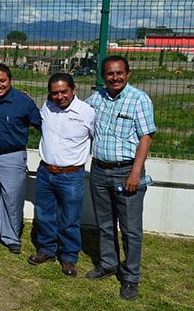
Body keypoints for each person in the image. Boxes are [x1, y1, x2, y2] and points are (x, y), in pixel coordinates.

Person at [85, 55, 155, 300]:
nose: (114, 77)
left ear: (128, 74)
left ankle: (130, 277)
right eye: (109, 74)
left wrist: (135, 173)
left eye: (119, 73)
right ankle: (108, 264)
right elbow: (74, 111)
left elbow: (146, 137)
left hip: (127, 171)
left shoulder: (139, 100)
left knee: (130, 229)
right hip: (99, 170)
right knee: (104, 224)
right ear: (103, 76)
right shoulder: (97, 98)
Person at [28, 73, 95, 277]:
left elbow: (96, 137)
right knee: (45, 214)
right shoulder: (47, 108)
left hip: (71, 176)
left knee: (70, 219)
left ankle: (68, 257)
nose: (60, 97)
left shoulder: (88, 113)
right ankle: (46, 250)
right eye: (55, 93)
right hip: (45, 171)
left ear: (73, 90)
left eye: (64, 92)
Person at [0, 63, 41, 254]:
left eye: (2, 81)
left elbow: (41, 124)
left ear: (10, 81)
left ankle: (11, 237)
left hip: (11, 158)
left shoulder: (23, 101)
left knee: (13, 199)